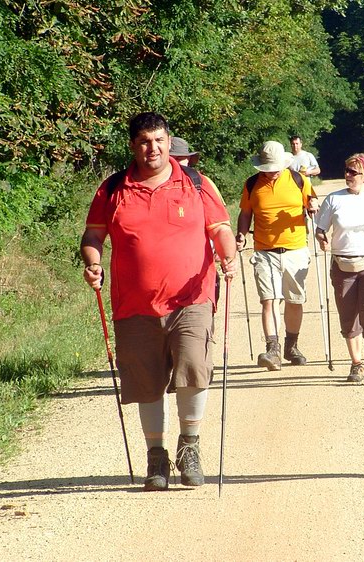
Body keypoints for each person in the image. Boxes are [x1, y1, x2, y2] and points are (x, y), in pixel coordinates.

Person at [81, 112, 237, 492]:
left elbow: (220, 228)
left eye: (158, 140)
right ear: (133, 147)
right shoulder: (113, 188)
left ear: (169, 142)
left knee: (194, 368)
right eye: (144, 142)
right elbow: (92, 235)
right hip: (134, 304)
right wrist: (93, 263)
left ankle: (190, 447)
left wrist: (227, 256)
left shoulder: (196, 184)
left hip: (192, 296)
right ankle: (156, 456)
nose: (152, 148)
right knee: (146, 381)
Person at [236, 140, 319, 370]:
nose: (270, 172)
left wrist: (312, 206)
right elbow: (245, 213)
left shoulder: (298, 179)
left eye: (274, 167)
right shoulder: (252, 184)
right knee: (268, 300)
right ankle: (272, 350)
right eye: (266, 168)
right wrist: (241, 235)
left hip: (295, 248)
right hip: (264, 250)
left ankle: (291, 346)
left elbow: (312, 202)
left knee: (294, 301)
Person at [314, 154, 364, 383]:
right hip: (342, 263)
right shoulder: (333, 199)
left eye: (353, 172)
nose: (348, 175)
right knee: (348, 315)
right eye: (347, 170)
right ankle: (356, 364)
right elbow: (321, 227)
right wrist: (321, 238)